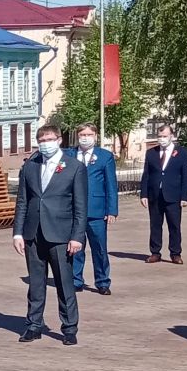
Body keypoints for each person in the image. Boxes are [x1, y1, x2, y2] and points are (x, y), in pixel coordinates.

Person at [13, 121, 87, 345]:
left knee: (64, 283)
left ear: (59, 140)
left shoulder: (74, 167)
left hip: (61, 234)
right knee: (36, 283)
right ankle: (34, 325)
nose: (45, 144)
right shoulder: (30, 166)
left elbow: (80, 206)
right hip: (33, 234)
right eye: (41, 141)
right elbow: (23, 200)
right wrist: (18, 232)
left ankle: (69, 328)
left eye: (49, 140)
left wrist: (77, 236)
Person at [70, 124, 118, 295]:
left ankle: (103, 281)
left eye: (89, 134)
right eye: (82, 134)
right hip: (73, 211)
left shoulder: (104, 156)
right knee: (75, 247)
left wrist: (112, 210)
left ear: (95, 136)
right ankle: (76, 280)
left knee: (99, 248)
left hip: (96, 211)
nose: (85, 137)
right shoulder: (69, 154)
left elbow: (111, 184)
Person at [139, 123, 187, 263]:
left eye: (165, 136)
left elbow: (186, 176)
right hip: (155, 195)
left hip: (173, 196)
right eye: (160, 136)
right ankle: (155, 252)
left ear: (171, 136)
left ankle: (175, 253)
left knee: (174, 225)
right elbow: (146, 174)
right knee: (155, 225)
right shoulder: (151, 153)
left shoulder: (182, 152)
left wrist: (185, 196)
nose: (162, 139)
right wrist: (143, 194)